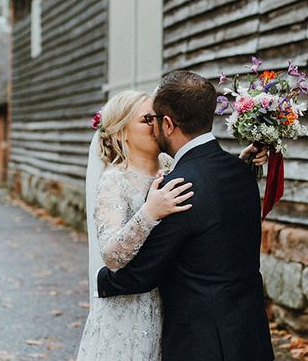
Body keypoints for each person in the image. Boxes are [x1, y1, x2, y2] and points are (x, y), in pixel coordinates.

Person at [77, 87, 268, 361]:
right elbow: (110, 254)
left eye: (156, 118)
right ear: (120, 133)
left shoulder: (169, 166)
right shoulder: (114, 181)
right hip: (131, 309)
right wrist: (148, 213)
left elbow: (203, 186)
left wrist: (240, 165)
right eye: (146, 120)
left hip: (168, 305)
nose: (156, 125)